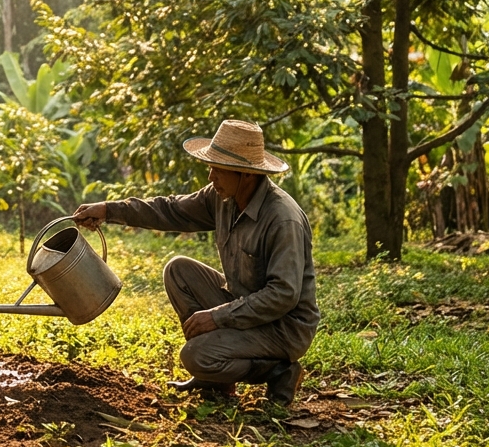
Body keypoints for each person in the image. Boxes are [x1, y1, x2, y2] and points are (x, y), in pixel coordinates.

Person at [73, 118, 319, 404]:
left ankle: (279, 371)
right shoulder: (222, 197)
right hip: (245, 302)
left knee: (196, 355)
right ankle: (217, 381)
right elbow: (171, 210)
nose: (210, 177)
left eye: (218, 169)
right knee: (178, 270)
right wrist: (109, 210)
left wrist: (216, 317)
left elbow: (282, 295)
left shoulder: (282, 219)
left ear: (247, 174)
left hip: (283, 327)